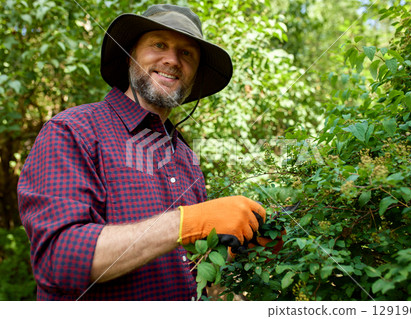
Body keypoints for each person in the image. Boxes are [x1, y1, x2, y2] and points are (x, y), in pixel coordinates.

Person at [17, 4, 266, 301]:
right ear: (129, 55)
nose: (172, 60)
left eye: (187, 54)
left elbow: (195, 270)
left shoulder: (186, 157)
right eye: (159, 44)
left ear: (195, 75)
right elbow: (58, 259)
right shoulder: (72, 130)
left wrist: (238, 248)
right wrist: (187, 222)